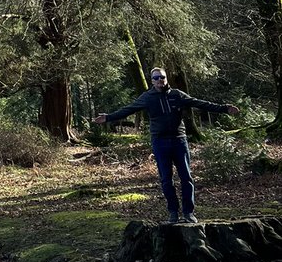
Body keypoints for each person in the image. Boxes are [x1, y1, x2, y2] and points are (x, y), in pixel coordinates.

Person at [94, 67, 239, 224]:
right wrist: (108, 118)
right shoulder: (147, 97)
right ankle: (173, 212)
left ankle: (189, 213)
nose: (159, 80)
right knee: (166, 179)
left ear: (166, 78)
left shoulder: (177, 95)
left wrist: (225, 108)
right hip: (160, 142)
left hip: (179, 141)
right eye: (156, 78)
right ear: (152, 81)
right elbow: (127, 110)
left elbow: (200, 103)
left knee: (186, 177)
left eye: (162, 77)